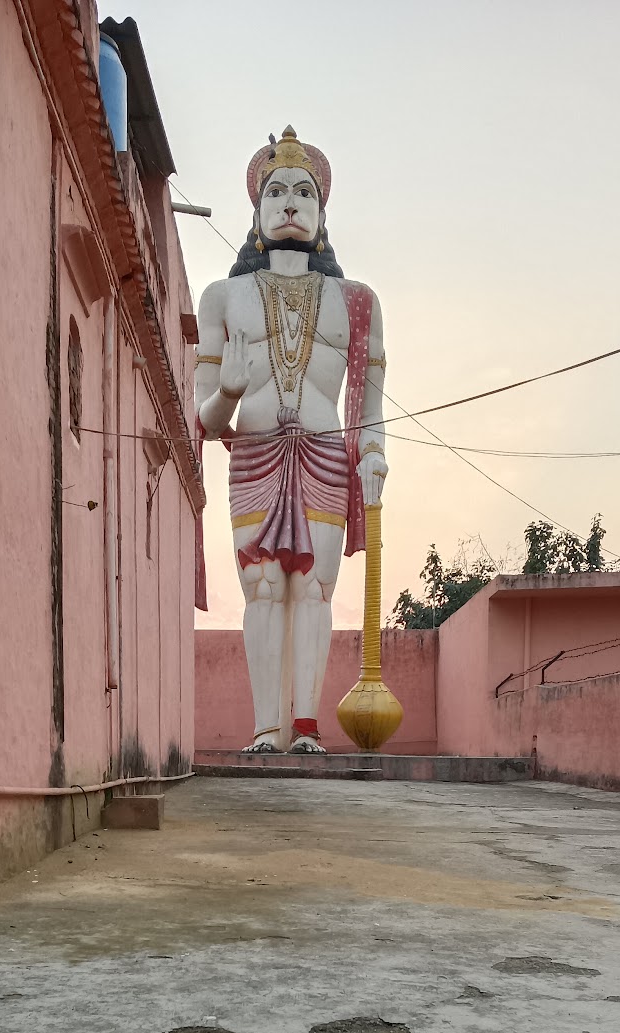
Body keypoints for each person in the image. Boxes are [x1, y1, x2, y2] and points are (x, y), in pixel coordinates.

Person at [196, 126, 387, 753]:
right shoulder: (223, 297)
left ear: (322, 211)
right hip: (252, 452)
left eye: (304, 192)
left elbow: (368, 398)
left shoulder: (357, 302)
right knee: (263, 587)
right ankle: (264, 730)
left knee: (314, 588)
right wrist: (227, 390)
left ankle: (304, 728)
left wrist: (374, 450)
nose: (289, 202)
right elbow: (206, 421)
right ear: (255, 208)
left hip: (327, 453)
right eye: (275, 190)